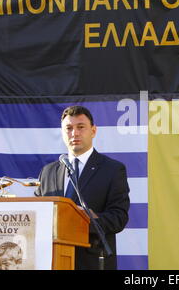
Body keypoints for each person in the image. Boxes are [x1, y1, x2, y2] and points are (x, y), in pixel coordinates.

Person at [35, 105, 130, 270]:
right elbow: (38, 214)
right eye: (69, 128)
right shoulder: (48, 172)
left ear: (93, 131)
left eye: (80, 127)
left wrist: (88, 220)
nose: (74, 133)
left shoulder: (113, 170)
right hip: (54, 261)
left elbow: (119, 217)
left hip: (93, 262)